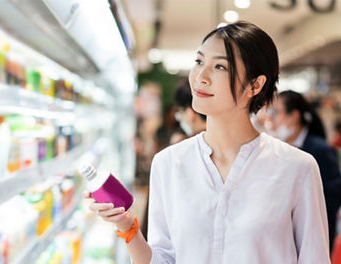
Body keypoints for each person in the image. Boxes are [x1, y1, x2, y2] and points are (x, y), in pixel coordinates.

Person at [85, 21, 330, 263]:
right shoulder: (168, 163)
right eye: (199, 62)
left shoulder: (296, 167)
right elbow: (164, 259)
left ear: (255, 84)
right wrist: (127, 228)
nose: (200, 76)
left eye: (221, 67)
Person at [268, 90, 341, 252]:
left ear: (293, 116)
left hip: (314, 235)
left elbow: (333, 195)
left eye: (276, 113)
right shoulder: (279, 149)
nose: (271, 119)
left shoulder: (319, 150)